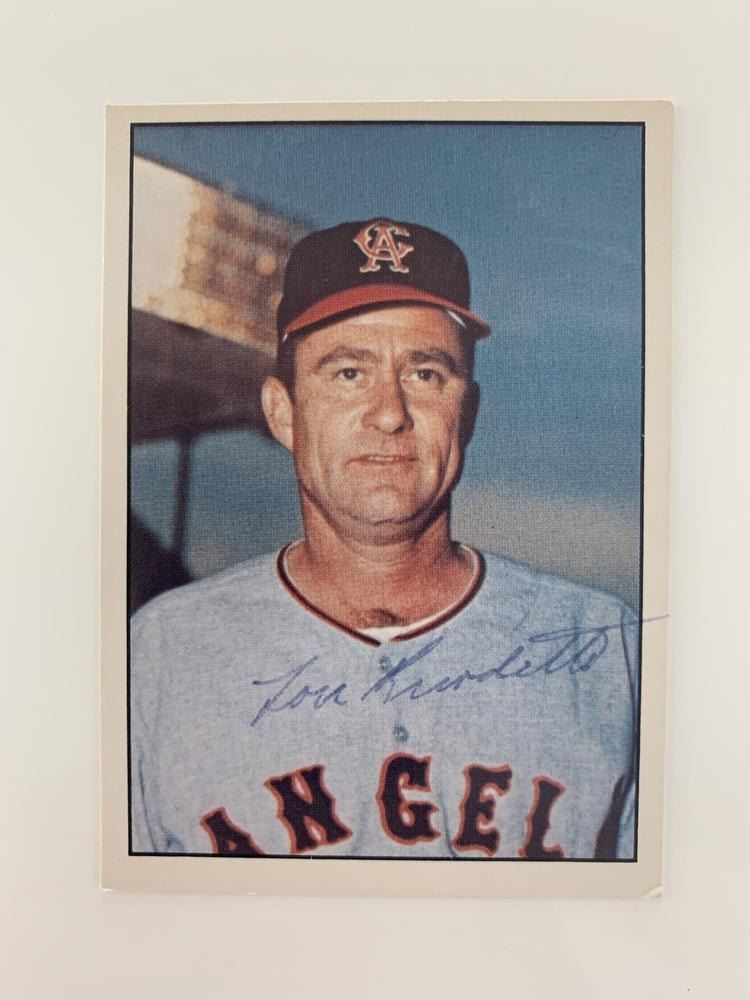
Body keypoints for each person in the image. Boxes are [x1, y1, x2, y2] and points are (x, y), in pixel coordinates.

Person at [130, 218, 639, 859]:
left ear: (467, 413)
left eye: (426, 374)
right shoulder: (160, 654)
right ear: (283, 413)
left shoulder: (606, 649)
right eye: (349, 373)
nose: (390, 413)